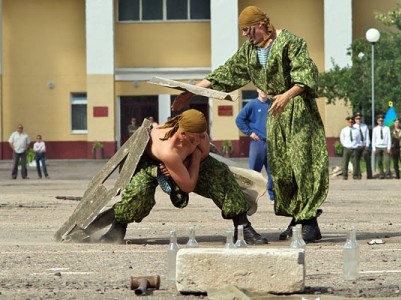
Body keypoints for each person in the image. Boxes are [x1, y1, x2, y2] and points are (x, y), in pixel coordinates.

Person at [172, 6, 328, 243]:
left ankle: (310, 222)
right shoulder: (250, 51)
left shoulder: (290, 42)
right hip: (276, 115)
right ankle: (298, 219)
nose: (245, 34)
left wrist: (287, 95)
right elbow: (225, 73)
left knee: (303, 166)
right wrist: (190, 92)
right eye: (243, 31)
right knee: (282, 169)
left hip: (297, 110)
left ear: (262, 24)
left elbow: (306, 75)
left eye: (248, 29)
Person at [87, 109, 268, 245]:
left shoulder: (197, 132)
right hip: (148, 164)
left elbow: (204, 152)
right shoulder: (168, 150)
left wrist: (192, 160)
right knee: (138, 195)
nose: (199, 141)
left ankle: (242, 227)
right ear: (182, 134)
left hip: (184, 162)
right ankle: (118, 226)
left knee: (219, 173)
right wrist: (190, 160)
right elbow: (188, 185)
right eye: (194, 139)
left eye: (202, 136)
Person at [235, 88, 274, 202]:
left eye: (265, 88)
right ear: (257, 90)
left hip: (271, 143)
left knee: (273, 172)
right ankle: (250, 197)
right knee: (254, 172)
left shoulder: (272, 104)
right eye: (261, 89)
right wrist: (250, 133)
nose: (264, 91)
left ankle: (273, 197)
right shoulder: (252, 104)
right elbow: (239, 120)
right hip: (257, 143)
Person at [372, 115, 391, 179]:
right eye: (379, 121)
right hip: (378, 146)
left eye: (382, 121)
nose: (381, 122)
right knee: (379, 161)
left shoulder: (387, 128)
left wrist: (389, 147)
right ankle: (381, 173)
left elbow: (389, 138)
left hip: (385, 146)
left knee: (387, 161)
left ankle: (388, 173)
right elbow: (373, 139)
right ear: (377, 121)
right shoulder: (375, 129)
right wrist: (374, 148)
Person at [353, 112, 372, 179]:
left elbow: (367, 136)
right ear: (355, 119)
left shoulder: (365, 126)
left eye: (359, 118)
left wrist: (367, 145)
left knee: (367, 159)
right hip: (357, 146)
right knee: (356, 160)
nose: (358, 120)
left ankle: (369, 175)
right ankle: (358, 175)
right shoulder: (353, 127)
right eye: (357, 119)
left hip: (364, 146)